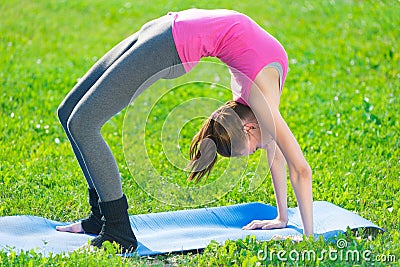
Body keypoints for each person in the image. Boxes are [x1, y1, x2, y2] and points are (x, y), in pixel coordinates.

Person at [56, 8, 313, 252]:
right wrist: (309, 238)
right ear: (249, 128)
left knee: (77, 119)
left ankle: (103, 217)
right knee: (76, 118)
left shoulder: (255, 98)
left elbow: (275, 150)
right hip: (169, 43)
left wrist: (281, 217)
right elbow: (301, 169)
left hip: (168, 29)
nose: (260, 148)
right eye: (254, 148)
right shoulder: (261, 100)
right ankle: (117, 231)